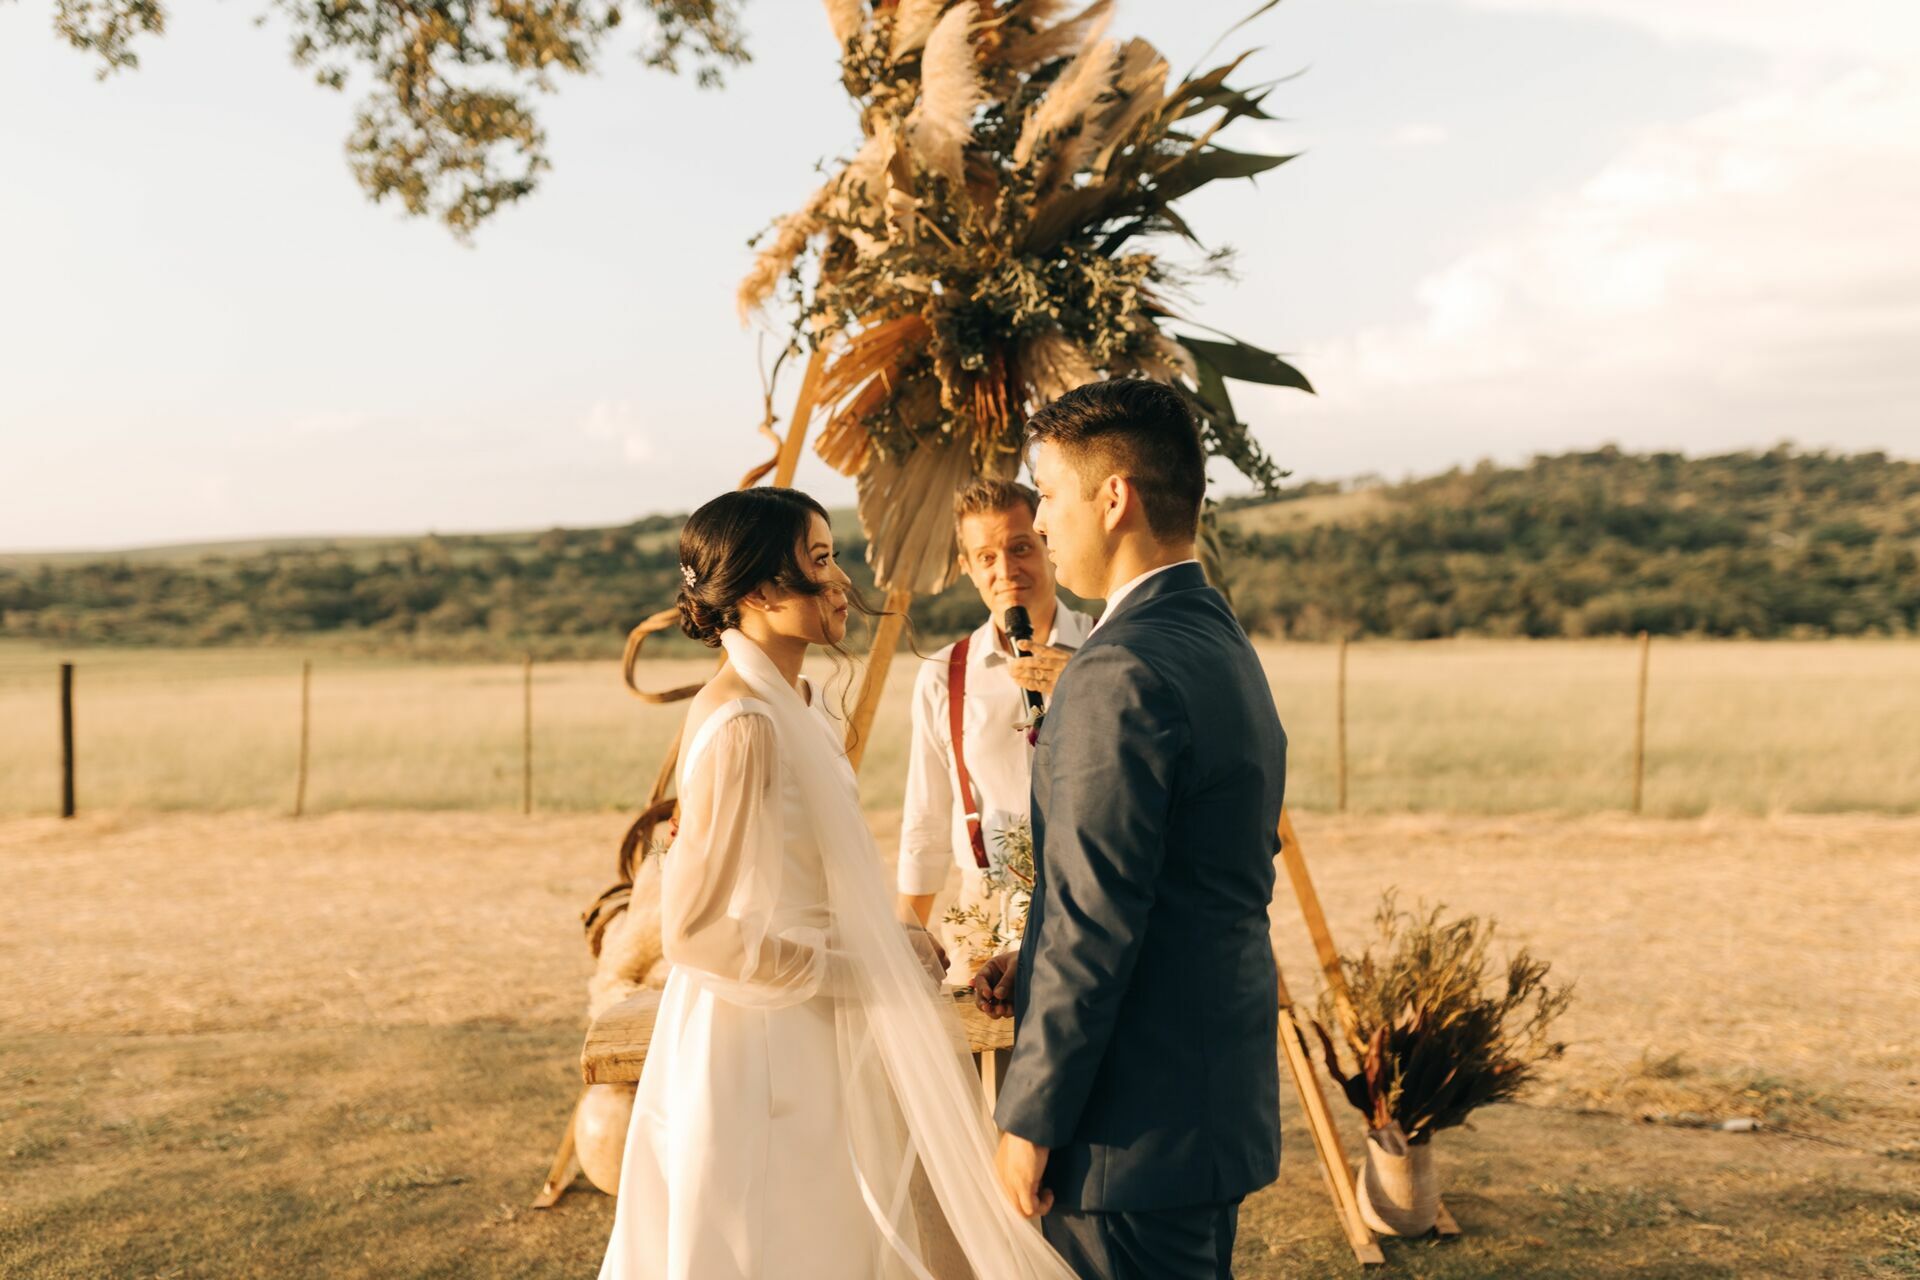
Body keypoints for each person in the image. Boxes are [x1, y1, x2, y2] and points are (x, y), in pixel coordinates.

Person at [598, 486, 1077, 1280]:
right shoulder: (744, 722)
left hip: (815, 1019)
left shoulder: (799, 701)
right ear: (755, 592)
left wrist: (892, 940)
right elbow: (696, 934)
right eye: (819, 561)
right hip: (761, 1043)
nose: (840, 582)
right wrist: (857, 973)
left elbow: (804, 879)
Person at [972, 379, 1289, 1280]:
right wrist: (1027, 958)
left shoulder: (1116, 668)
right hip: (1206, 1093)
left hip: (1127, 1123)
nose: (1040, 517)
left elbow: (1094, 919)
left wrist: (1031, 1118)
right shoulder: (1217, 638)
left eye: (1050, 492)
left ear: (1114, 498)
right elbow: (1182, 869)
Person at [896, 478, 1095, 966]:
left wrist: (1084, 685)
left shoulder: (1105, 646)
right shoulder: (943, 673)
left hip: (1093, 903)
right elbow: (926, 819)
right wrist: (906, 932)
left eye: (1020, 547)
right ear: (967, 567)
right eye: (986, 557)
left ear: (1048, 544)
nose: (1005, 570)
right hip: (983, 912)